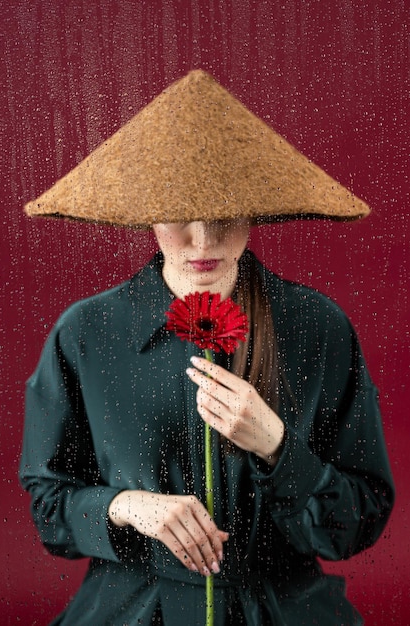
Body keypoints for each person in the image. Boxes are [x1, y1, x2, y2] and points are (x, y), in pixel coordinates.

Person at [20, 71, 394, 625]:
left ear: (254, 209)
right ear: (145, 212)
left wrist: (276, 447)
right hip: (131, 608)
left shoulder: (318, 327)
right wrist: (125, 507)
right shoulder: (86, 332)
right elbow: (49, 507)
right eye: (178, 214)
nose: (202, 241)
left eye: (224, 213)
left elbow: (360, 519)